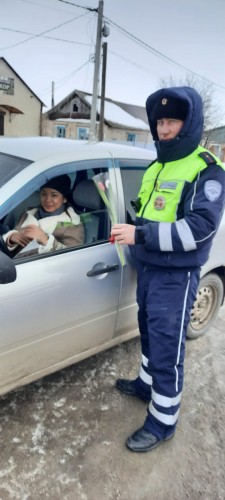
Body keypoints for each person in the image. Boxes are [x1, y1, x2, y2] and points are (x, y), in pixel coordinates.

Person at [111, 86, 225, 453]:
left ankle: (163, 421)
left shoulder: (206, 169)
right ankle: (146, 385)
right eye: (160, 121)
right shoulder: (158, 165)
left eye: (172, 121)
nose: (163, 129)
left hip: (175, 276)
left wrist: (140, 233)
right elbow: (148, 210)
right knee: (148, 332)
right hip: (149, 269)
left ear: (188, 123)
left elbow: (200, 228)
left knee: (167, 348)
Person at [3, 174, 84, 257]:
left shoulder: (73, 224)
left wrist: (45, 240)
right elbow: (15, 233)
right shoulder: (29, 213)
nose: (48, 200)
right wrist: (11, 238)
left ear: (64, 199)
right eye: (44, 194)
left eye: (54, 195)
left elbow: (71, 257)